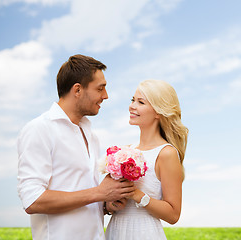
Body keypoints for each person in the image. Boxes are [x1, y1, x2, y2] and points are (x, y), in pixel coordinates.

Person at [17, 54, 135, 240]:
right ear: (77, 90)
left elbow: (84, 193)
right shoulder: (39, 129)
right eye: (100, 88)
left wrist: (105, 204)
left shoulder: (90, 134)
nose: (105, 96)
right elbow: (33, 201)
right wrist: (99, 193)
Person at [105, 79, 189, 240]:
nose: (132, 106)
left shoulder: (166, 153)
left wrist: (137, 195)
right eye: (132, 100)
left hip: (144, 233)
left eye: (140, 102)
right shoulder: (125, 151)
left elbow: (173, 214)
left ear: (158, 111)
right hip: (116, 231)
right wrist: (112, 203)